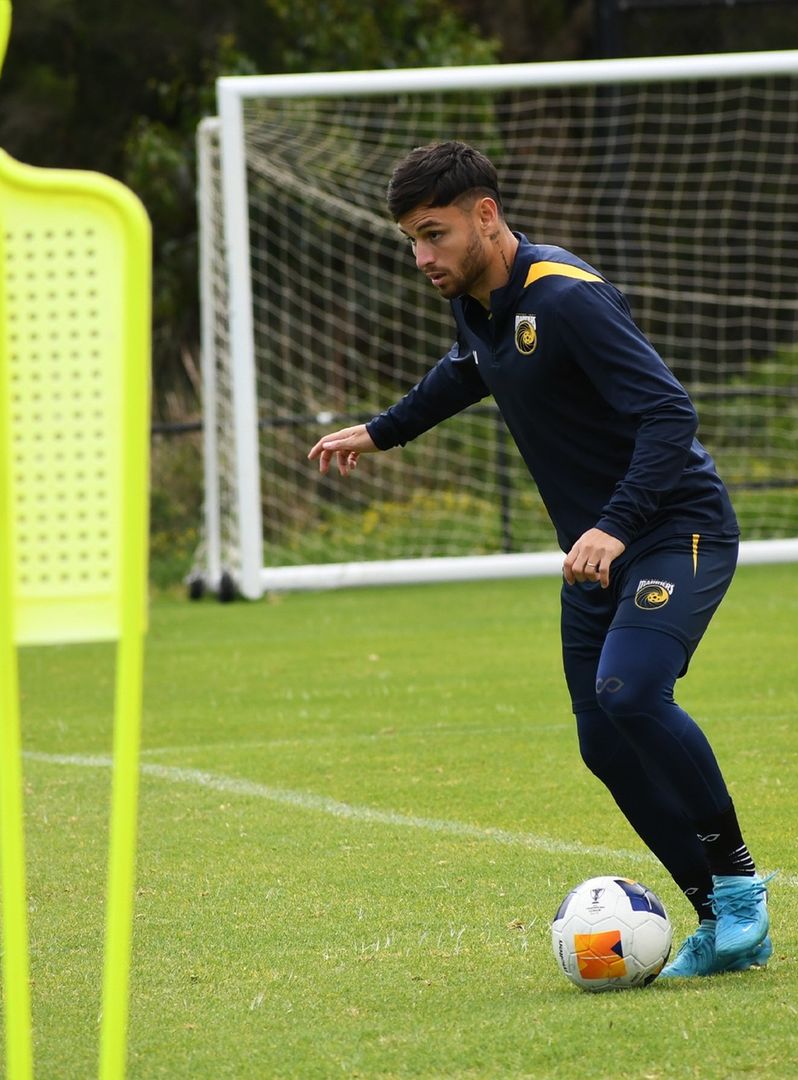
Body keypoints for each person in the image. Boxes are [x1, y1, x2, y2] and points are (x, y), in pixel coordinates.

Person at [308, 140, 773, 978]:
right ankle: (719, 922)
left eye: (435, 235)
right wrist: (382, 431)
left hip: (675, 529)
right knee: (604, 743)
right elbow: (467, 370)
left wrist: (616, 525)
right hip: (594, 555)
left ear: (486, 216)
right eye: (412, 241)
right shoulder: (478, 302)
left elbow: (670, 413)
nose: (422, 258)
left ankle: (740, 888)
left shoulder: (567, 298)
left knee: (630, 692)